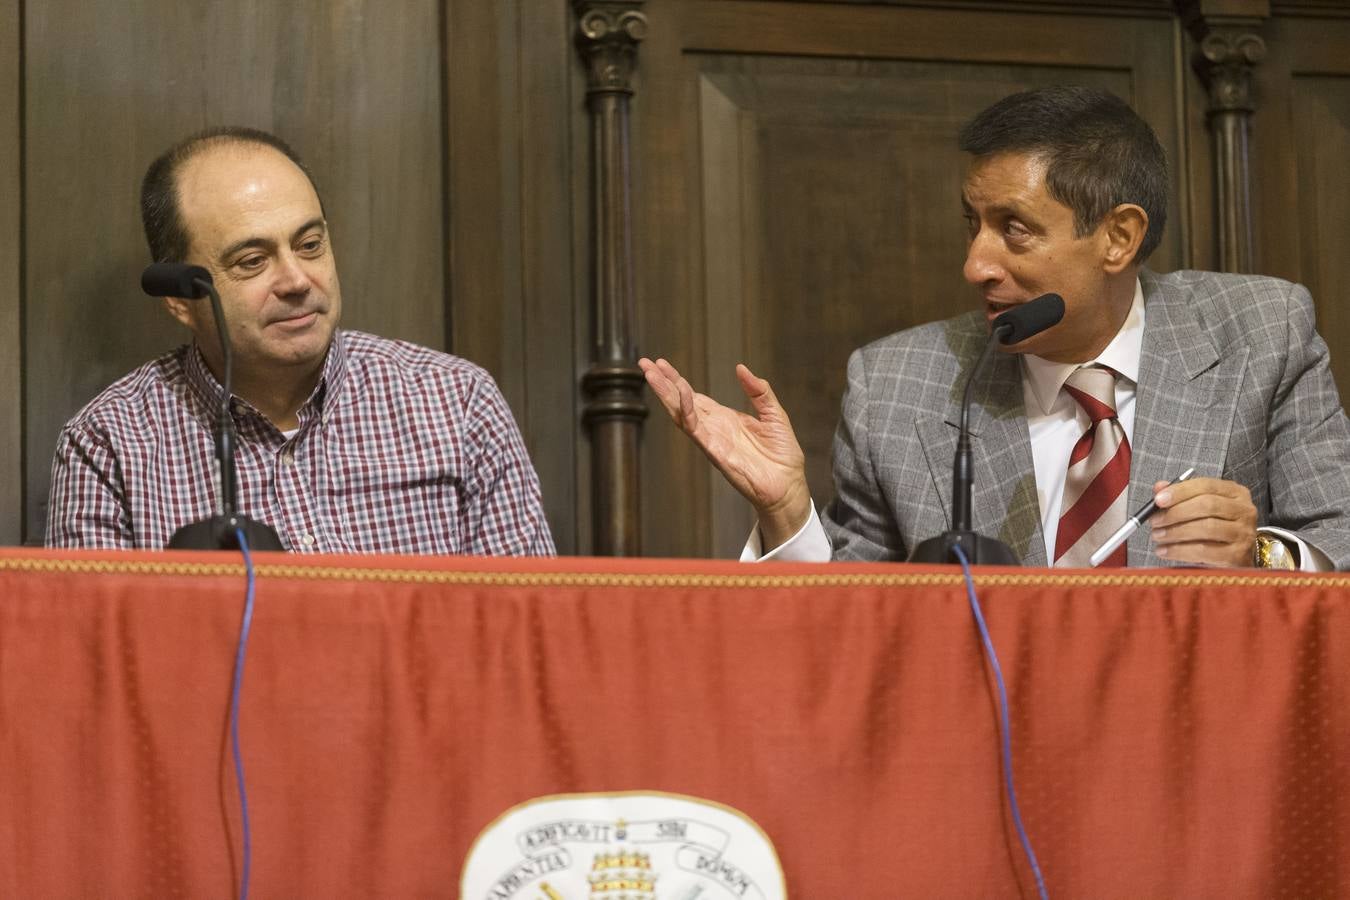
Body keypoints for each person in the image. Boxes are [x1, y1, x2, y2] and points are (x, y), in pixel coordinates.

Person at [641, 85, 1350, 570]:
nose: (975, 265)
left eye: (1014, 230)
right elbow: (852, 630)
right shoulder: (897, 388)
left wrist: (1262, 552)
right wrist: (788, 512)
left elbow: (1339, 537)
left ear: (1118, 238)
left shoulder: (1262, 334)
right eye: (973, 225)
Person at [47, 127, 554, 555]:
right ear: (179, 299)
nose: (296, 280)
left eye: (310, 245)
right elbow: (98, 662)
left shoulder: (455, 402)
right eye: (252, 261)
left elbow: (534, 633)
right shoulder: (108, 444)